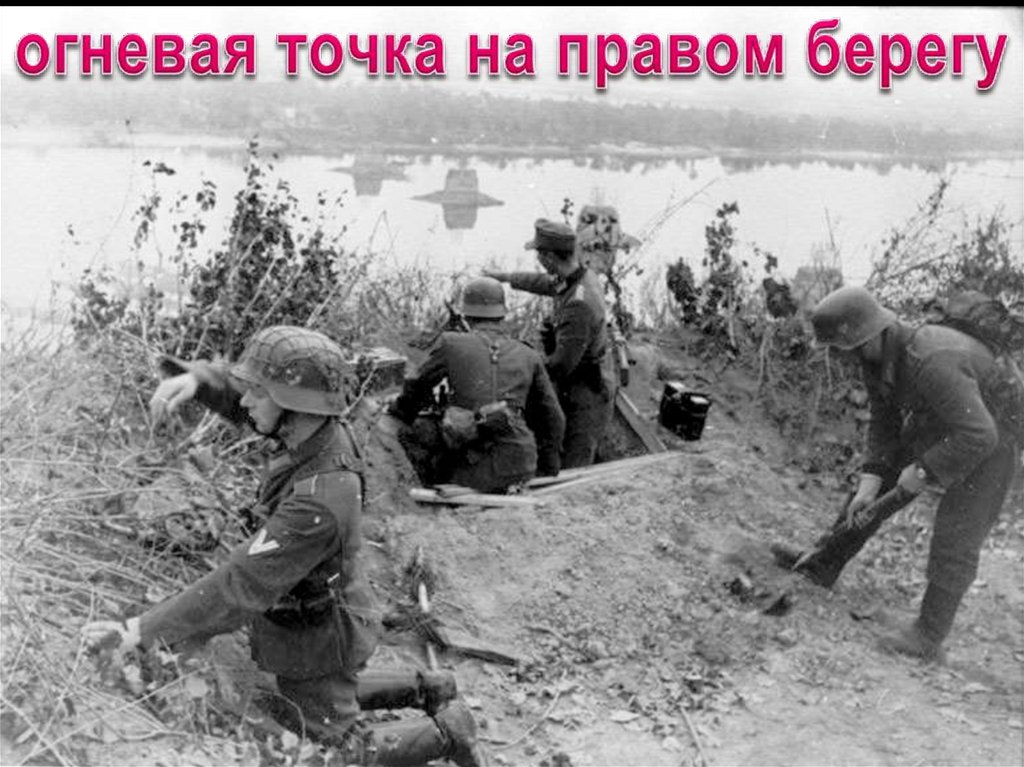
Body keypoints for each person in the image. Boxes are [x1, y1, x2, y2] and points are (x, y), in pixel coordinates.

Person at [80, 325, 487, 766]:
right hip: (312, 618)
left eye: (259, 393)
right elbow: (253, 404)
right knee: (287, 700)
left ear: (295, 406)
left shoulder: (321, 499)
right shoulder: (314, 429)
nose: (246, 401)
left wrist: (139, 632)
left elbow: (240, 584)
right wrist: (200, 380)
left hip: (319, 637)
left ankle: (447, 733)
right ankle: (428, 688)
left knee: (323, 753)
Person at [770, 286, 1022, 663]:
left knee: (957, 531)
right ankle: (822, 564)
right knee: (876, 487)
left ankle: (928, 636)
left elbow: (980, 435)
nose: (840, 359)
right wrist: (870, 479)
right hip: (950, 422)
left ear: (866, 336)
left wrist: (923, 470)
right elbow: (883, 421)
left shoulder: (930, 357)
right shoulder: (877, 358)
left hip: (996, 439)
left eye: (842, 349)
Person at [387, 276, 565, 493]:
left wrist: (400, 411)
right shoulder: (529, 354)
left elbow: (416, 384)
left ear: (466, 315)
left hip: (474, 470)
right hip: (521, 465)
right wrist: (547, 468)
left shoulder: (451, 343)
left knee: (417, 434)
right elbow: (554, 418)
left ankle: (420, 497)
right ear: (502, 315)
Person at [486, 218, 614, 469]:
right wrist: (505, 277)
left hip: (586, 392)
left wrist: (519, 363)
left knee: (574, 466)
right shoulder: (578, 276)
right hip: (579, 378)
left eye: (539, 255)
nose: (538, 260)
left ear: (550, 258)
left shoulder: (579, 303)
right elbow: (544, 283)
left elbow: (559, 366)